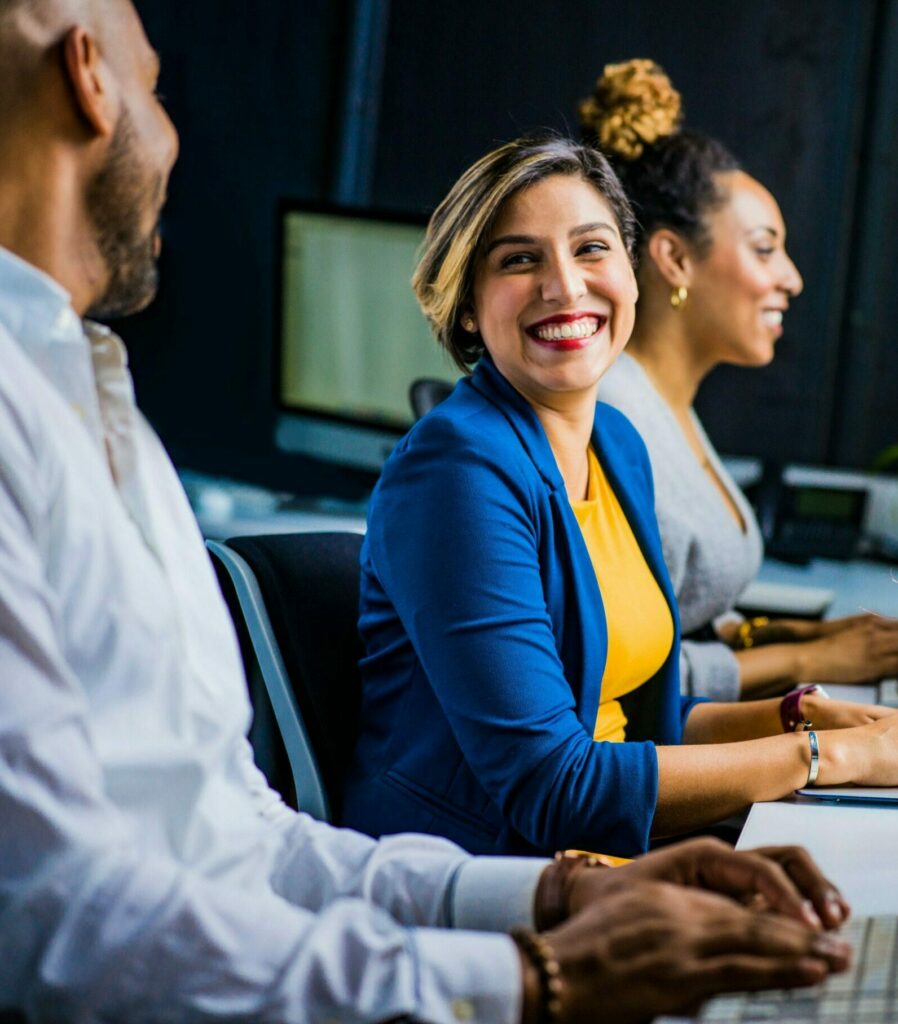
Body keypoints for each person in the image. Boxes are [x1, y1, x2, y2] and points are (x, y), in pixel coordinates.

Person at [0, 2, 857, 1021]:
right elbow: (56, 923)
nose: (174, 136)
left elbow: (244, 838)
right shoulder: (452, 466)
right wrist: (541, 969)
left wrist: (570, 896)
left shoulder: (96, 402)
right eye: (156, 88)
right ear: (90, 77)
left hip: (445, 917)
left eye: (591, 248)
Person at [343, 131, 898, 862]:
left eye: (592, 248)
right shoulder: (455, 471)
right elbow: (555, 787)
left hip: (616, 858)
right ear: (469, 307)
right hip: (488, 881)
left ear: (633, 273)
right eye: (519, 259)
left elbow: (641, 727)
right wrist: (832, 757)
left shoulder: (616, 442)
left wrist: (804, 717)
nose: (565, 286)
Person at [580, 58, 898, 702]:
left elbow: (677, 615)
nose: (791, 278)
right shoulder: (612, 419)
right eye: (763, 248)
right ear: (674, 258)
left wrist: (790, 637)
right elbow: (619, 676)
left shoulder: (666, 405)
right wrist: (804, 663)